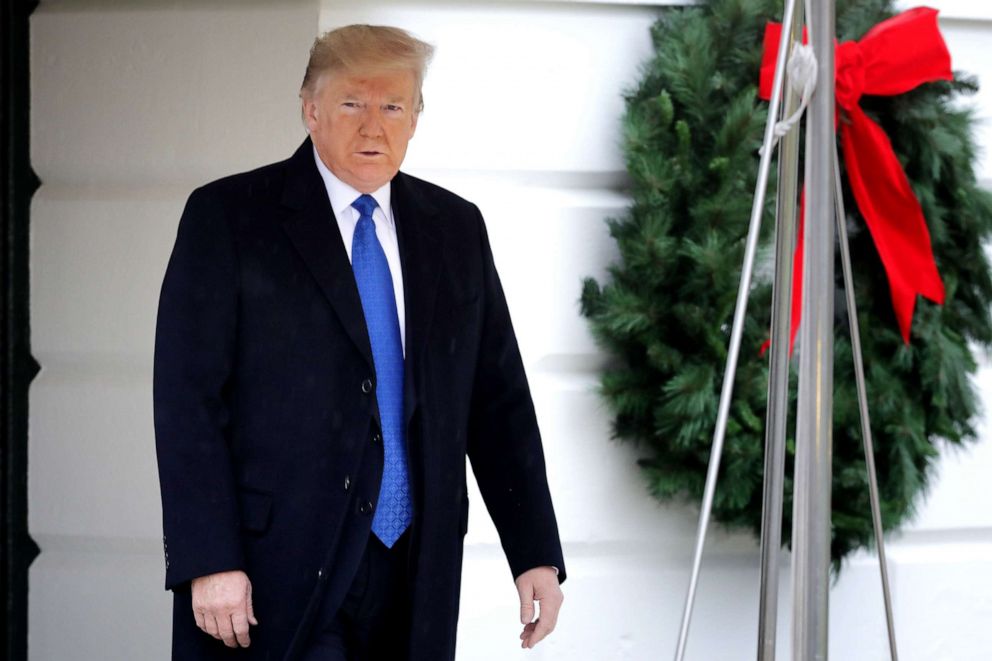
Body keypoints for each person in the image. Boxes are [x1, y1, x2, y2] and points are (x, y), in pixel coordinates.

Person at [153, 24, 565, 661]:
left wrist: (533, 549)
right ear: (310, 108)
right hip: (275, 568)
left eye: (393, 106)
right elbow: (189, 401)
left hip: (415, 567)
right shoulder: (230, 217)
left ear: (416, 118)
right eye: (352, 103)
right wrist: (209, 558)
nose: (374, 127)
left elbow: (497, 397)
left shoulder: (455, 229)